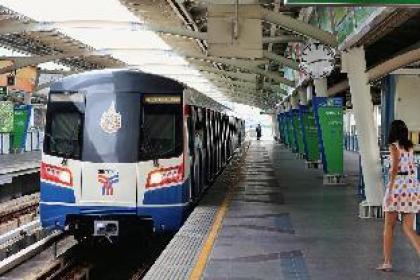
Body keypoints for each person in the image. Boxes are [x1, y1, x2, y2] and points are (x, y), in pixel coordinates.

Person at [377, 120, 420, 273]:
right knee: (408, 228)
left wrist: (390, 189)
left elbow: (394, 168)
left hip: (398, 188)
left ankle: (387, 262)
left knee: (389, 226)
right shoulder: (410, 147)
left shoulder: (393, 147)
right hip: (412, 187)